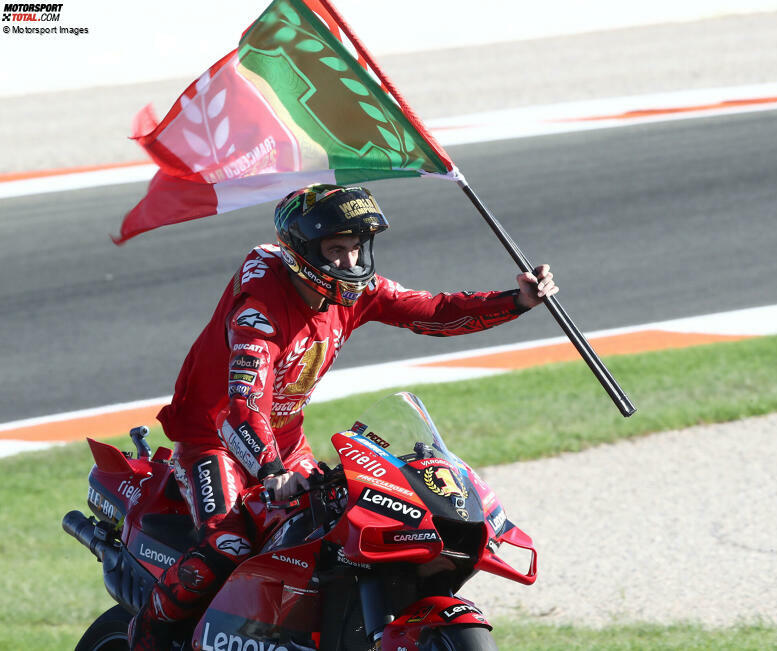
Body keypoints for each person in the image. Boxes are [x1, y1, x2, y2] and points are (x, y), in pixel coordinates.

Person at [129, 184, 558, 649]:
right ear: (301, 252)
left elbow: (433, 311)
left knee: (333, 533)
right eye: (336, 250)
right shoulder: (259, 308)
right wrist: (270, 471)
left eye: (356, 248)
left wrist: (516, 301)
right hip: (213, 441)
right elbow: (243, 405)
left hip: (288, 445)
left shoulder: (355, 293)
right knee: (226, 545)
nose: (350, 263)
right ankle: (145, 640)